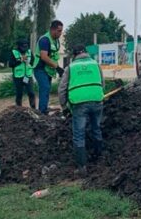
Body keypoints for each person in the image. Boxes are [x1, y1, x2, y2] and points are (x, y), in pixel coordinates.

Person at [58, 45, 105, 175]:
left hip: (79, 103)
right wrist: (97, 96)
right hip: (97, 100)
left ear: (74, 55)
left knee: (79, 134)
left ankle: (82, 167)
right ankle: (99, 159)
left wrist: (64, 107)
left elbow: (62, 89)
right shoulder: (96, 64)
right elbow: (102, 83)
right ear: (86, 53)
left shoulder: (71, 67)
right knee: (96, 128)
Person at [33, 20, 64, 114]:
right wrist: (57, 68)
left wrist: (57, 68)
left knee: (47, 88)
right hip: (40, 68)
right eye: (59, 31)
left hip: (49, 69)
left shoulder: (56, 41)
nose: (60, 33)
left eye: (61, 31)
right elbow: (44, 57)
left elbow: (54, 55)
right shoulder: (45, 40)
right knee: (45, 87)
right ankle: (42, 111)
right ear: (52, 29)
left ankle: (44, 107)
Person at [8, 38, 36, 109]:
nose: (24, 49)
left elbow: (33, 62)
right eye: (23, 47)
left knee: (31, 92)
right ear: (19, 46)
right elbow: (10, 64)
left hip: (27, 76)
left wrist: (29, 62)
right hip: (18, 76)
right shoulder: (14, 52)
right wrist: (20, 60)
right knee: (19, 94)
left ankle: (33, 108)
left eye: (26, 47)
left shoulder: (29, 52)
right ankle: (19, 108)